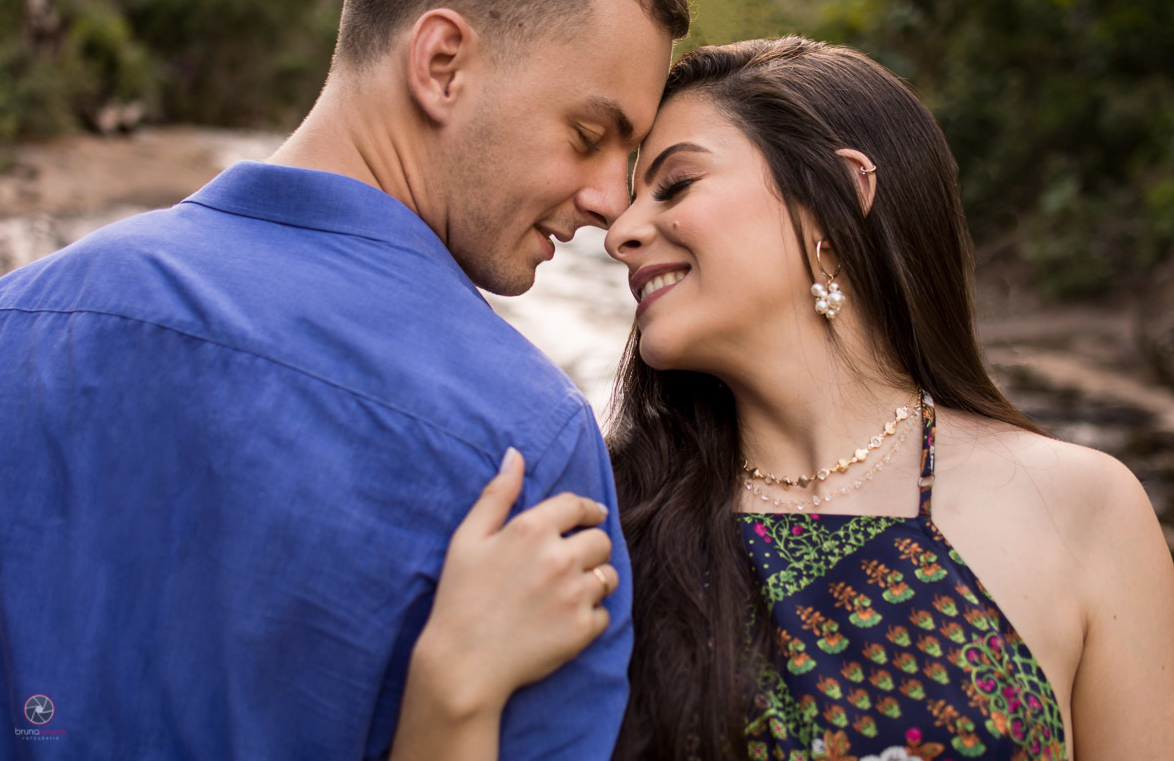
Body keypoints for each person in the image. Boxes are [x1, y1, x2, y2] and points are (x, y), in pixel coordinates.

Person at [0, 0, 688, 758]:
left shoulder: (1, 327)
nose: (610, 201)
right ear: (442, 65)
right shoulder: (526, 453)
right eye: (590, 137)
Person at [413, 37, 1174, 759]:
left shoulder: (1084, 510)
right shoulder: (601, 515)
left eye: (675, 184)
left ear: (835, 198)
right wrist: (451, 687)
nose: (621, 231)